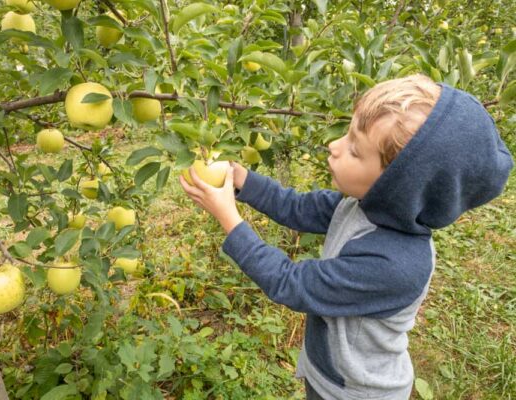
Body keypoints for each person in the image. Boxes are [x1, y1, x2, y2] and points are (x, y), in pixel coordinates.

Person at [179, 74, 514, 399]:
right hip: (330, 374)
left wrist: (229, 219)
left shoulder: (394, 265)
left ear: (397, 186)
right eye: (347, 134)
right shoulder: (361, 205)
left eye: (355, 150)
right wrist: (243, 179)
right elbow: (296, 207)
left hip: (356, 392)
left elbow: (291, 283)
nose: (334, 146)